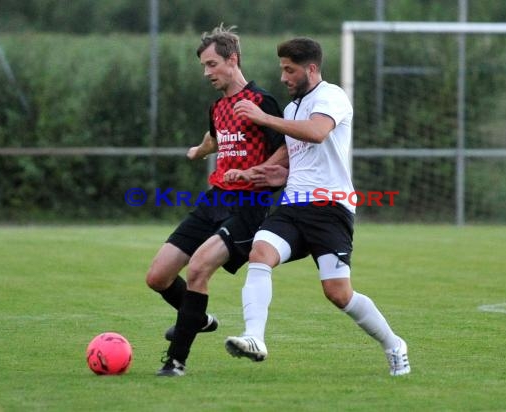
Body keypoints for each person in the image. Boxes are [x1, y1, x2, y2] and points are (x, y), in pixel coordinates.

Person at [223, 37, 411, 376]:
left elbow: (317, 132)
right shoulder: (293, 108)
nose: (283, 77)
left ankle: (394, 344)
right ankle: (254, 338)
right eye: (282, 69)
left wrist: (263, 118)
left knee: (338, 294)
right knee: (260, 253)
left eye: (290, 70)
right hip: (293, 205)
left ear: (311, 68)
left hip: (330, 209)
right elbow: (289, 155)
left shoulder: (331, 96)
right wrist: (254, 172)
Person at [145, 24, 287, 377]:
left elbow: (286, 149)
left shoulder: (261, 102)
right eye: (204, 66)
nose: (206, 72)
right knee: (158, 276)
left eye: (211, 64)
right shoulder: (218, 107)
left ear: (232, 60)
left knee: (198, 269)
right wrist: (200, 149)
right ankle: (200, 319)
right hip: (215, 200)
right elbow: (215, 136)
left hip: (249, 206)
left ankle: (175, 361)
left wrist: (255, 173)